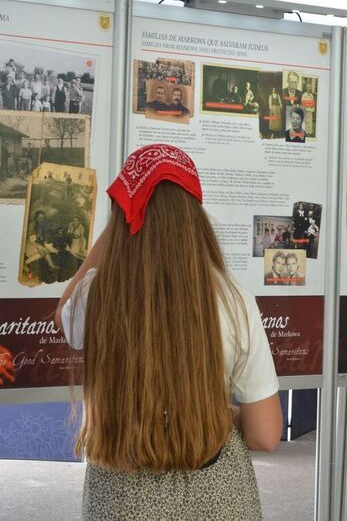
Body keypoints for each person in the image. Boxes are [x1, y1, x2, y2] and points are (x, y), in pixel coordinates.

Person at [54, 144, 282, 519]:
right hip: (217, 498)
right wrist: (218, 414)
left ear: (122, 214)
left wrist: (116, 228)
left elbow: (62, 312)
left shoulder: (98, 294)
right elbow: (266, 435)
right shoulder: (235, 301)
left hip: (120, 498)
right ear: (196, 216)